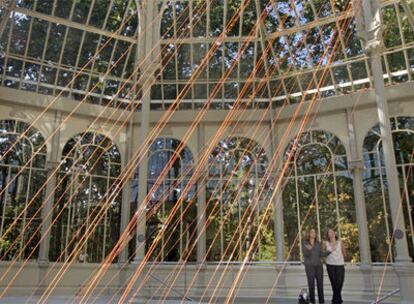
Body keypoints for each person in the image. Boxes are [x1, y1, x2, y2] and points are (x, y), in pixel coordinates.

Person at [302, 228, 325, 304]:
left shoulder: (318, 243)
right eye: (312, 232)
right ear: (309, 233)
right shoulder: (305, 242)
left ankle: (322, 302)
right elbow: (305, 254)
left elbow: (321, 254)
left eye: (315, 232)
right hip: (309, 267)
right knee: (311, 285)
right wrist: (310, 249)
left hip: (319, 267)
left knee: (320, 286)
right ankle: (312, 302)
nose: (313, 233)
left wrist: (327, 252)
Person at [324, 228, 346, 304]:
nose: (332, 233)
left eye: (333, 231)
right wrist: (330, 251)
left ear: (335, 233)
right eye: (330, 232)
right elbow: (323, 255)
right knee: (334, 284)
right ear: (328, 235)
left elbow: (344, 253)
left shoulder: (340, 242)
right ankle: (338, 301)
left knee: (339, 284)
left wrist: (339, 259)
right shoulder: (325, 243)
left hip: (340, 266)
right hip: (330, 266)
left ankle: (335, 301)